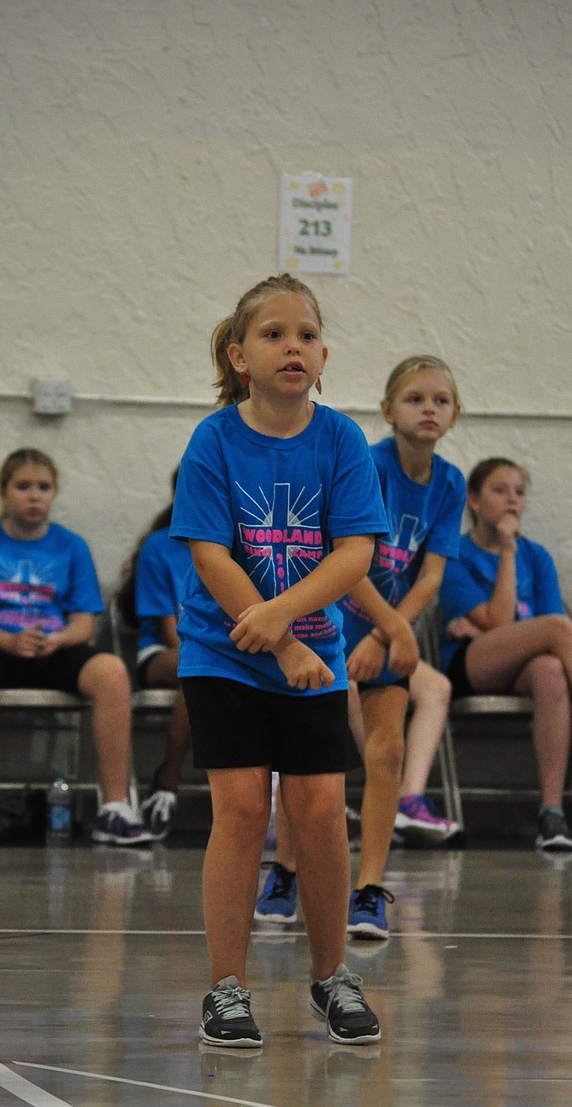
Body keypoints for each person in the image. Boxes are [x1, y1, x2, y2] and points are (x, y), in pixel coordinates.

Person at [171, 272, 389, 1047]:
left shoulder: (342, 441)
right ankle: (226, 989)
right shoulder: (213, 441)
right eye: (273, 334)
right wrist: (276, 635)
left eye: (306, 335)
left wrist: (291, 624)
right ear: (240, 357)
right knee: (241, 810)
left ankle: (332, 977)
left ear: (323, 356)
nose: (292, 346)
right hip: (223, 654)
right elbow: (208, 553)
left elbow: (354, 552)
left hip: (312, 658)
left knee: (321, 811)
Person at [255, 355, 465, 940]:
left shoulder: (450, 483)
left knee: (386, 752)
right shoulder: (368, 463)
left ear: (455, 415)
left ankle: (369, 888)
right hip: (331, 625)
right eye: (415, 398)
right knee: (311, 759)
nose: (428, 409)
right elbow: (346, 560)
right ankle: (285, 873)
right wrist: (386, 629)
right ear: (388, 410)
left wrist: (390, 633)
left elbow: (430, 574)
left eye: (441, 400)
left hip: (386, 633)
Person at [0, 448, 148, 847]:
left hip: (54, 646)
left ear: (54, 494)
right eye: (23, 486)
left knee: (113, 672)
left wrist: (56, 639)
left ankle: (115, 808)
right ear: (3, 492)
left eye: (43, 487)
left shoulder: (72, 546)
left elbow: (84, 623)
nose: (34, 496)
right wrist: (10, 640)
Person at [438, 456, 572, 853]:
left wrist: (502, 631)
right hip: (471, 663)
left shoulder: (538, 556)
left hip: (524, 662)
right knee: (558, 630)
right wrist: (507, 552)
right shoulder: (455, 554)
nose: (512, 500)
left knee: (550, 670)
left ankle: (552, 813)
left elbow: (549, 634)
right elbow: (502, 622)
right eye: (499, 490)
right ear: (474, 500)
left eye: (519, 492)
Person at [115, 466, 192, 840]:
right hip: (163, 653)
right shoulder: (160, 546)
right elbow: (170, 632)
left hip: (220, 655)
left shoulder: (235, 545)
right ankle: (167, 781)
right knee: (199, 666)